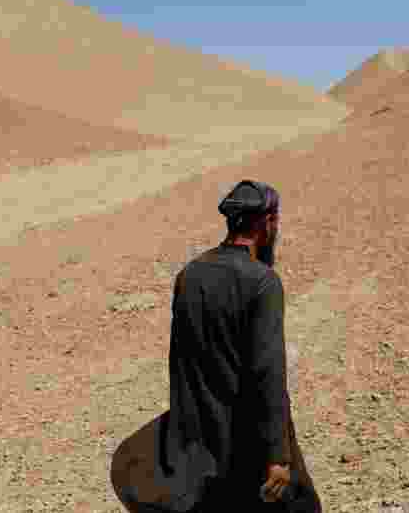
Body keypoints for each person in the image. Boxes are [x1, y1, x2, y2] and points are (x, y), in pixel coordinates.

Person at [111, 180, 322, 512]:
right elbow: (267, 371)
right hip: (246, 440)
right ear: (267, 222)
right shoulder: (262, 282)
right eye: (275, 222)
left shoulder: (189, 274)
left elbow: (183, 360)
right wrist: (278, 456)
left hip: (197, 439)